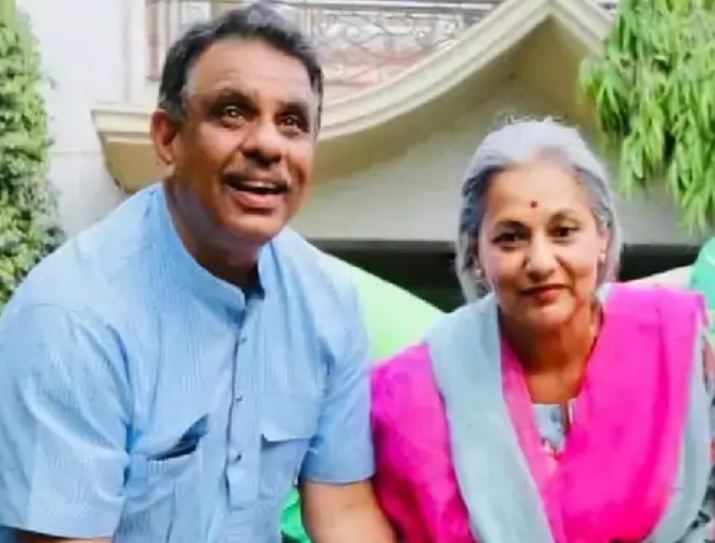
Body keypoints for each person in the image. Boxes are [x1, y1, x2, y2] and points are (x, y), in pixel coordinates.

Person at [0, 5, 395, 543]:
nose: (268, 145)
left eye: (292, 122)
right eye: (232, 113)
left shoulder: (327, 303)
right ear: (168, 139)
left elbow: (343, 512)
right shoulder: (72, 318)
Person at [371, 119, 715, 543]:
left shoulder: (681, 348)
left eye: (563, 232)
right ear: (476, 254)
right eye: (511, 238)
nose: (540, 262)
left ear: (602, 236)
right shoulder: (415, 393)